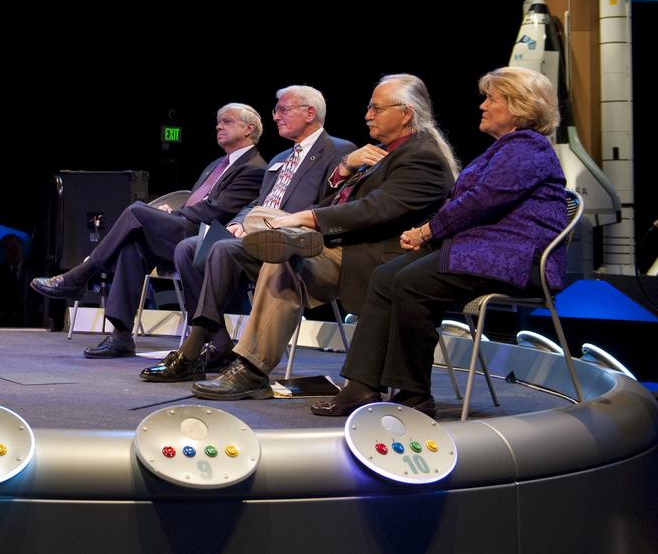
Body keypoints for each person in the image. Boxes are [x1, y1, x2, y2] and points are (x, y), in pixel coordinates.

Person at [313, 66, 569, 417]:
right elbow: (467, 201)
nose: (482, 106)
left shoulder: (528, 148)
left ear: (518, 107)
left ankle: (414, 393)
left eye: (491, 99)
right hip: (481, 252)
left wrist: (428, 231)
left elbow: (480, 201)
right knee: (385, 276)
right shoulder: (506, 148)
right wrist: (429, 234)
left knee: (411, 283)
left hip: (514, 258)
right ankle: (362, 385)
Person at [188, 74, 456, 399]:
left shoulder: (421, 156)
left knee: (284, 253)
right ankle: (284, 239)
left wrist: (309, 218)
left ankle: (251, 368)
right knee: (260, 230)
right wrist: (344, 170)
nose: (367, 115)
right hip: (336, 247)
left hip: (373, 258)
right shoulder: (380, 153)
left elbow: (376, 209)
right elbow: (339, 199)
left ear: (405, 113)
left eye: (375, 108)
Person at [139, 85, 355, 381]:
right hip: (255, 233)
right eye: (275, 110)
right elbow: (259, 200)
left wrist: (276, 222)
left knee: (221, 249)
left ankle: (193, 349)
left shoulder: (339, 151)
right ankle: (219, 344)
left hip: (295, 242)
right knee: (188, 249)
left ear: (310, 113)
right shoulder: (281, 156)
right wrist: (240, 221)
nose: (276, 116)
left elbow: (333, 203)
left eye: (283, 109)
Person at [29, 104, 268, 357]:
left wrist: (171, 215)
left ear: (248, 128)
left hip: (210, 239)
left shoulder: (254, 168)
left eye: (227, 122)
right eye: (218, 122)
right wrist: (169, 215)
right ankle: (121, 335)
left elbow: (215, 211)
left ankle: (80, 276)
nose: (218, 126)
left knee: (137, 211)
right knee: (134, 245)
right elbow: (194, 203)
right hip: (186, 230)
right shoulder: (216, 164)